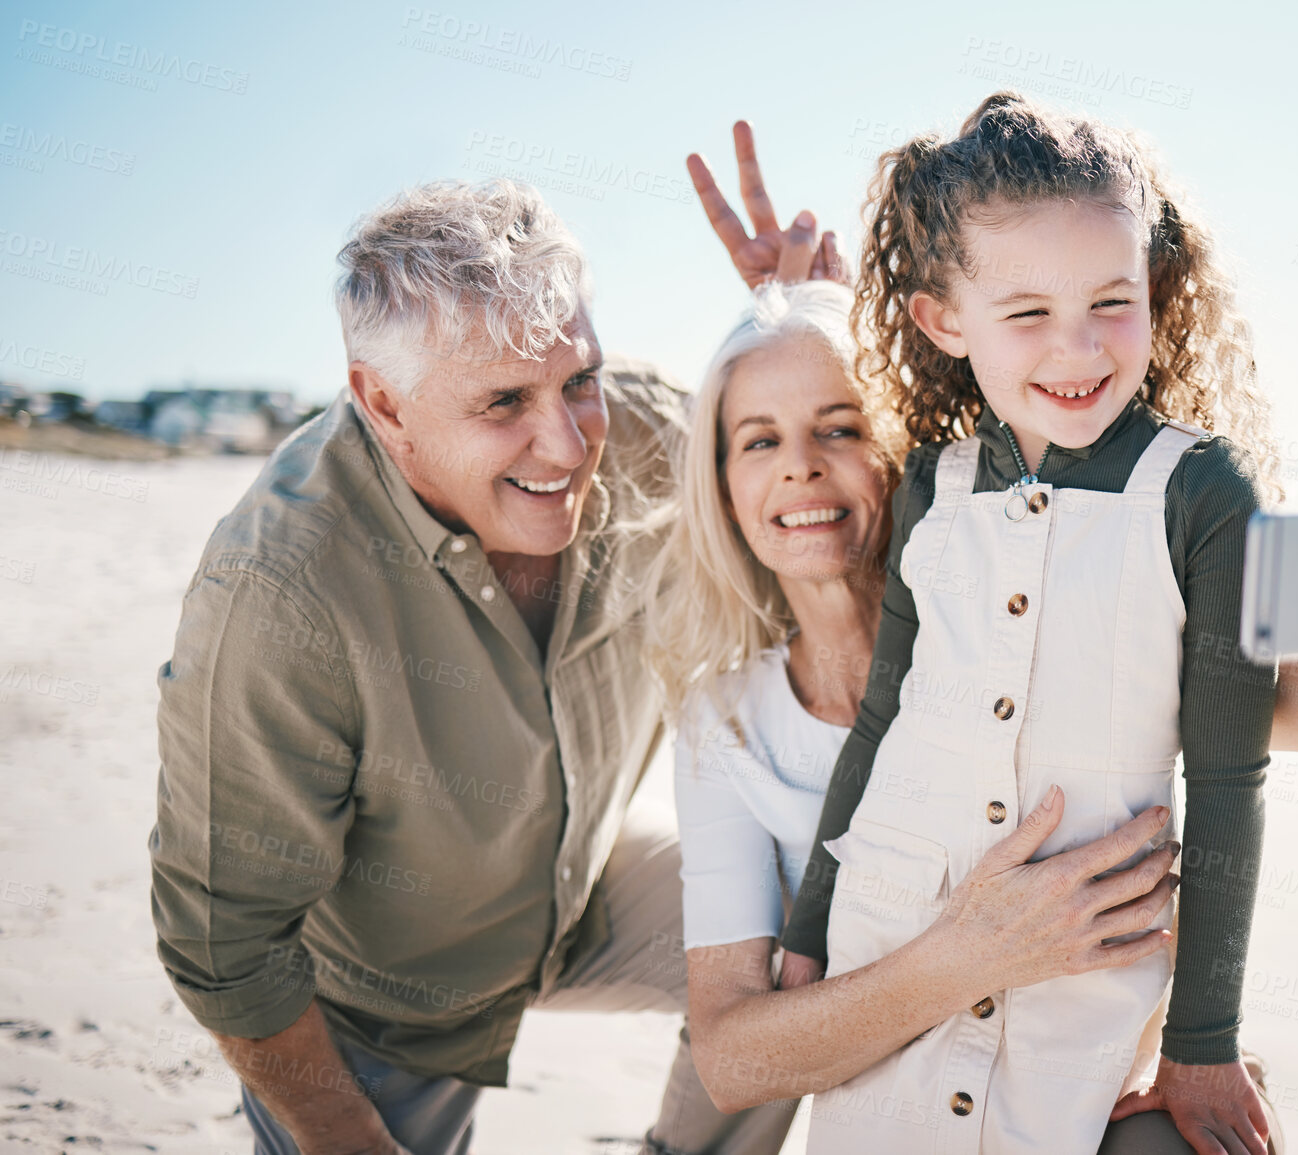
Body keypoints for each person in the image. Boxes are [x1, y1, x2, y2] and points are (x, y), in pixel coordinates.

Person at [667, 99, 1298, 1155]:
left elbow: (1230, 774)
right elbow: (882, 724)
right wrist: (807, 941)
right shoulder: (930, 495)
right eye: (1027, 313)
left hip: (1085, 984)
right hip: (888, 957)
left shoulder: (1201, 494)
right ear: (945, 321)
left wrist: (1205, 1041)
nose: (1076, 347)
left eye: (1110, 301)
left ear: (1155, 290)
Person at [147, 177, 844, 1155]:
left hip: (584, 888)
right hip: (379, 1000)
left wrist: (818, 341)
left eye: (580, 381)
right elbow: (228, 947)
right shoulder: (279, 591)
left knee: (812, 905)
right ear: (383, 404)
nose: (567, 444)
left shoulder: (652, 440)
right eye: (505, 401)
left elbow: (849, 502)